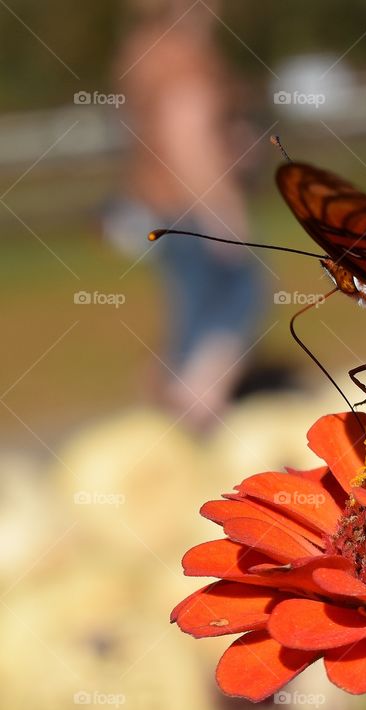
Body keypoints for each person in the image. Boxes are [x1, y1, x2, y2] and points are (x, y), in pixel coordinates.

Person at [116, 0, 266, 432]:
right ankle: (199, 419)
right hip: (191, 206)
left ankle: (159, 420)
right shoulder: (184, 57)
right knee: (235, 305)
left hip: (158, 204)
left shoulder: (143, 50)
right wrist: (222, 209)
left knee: (189, 314)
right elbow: (188, 138)